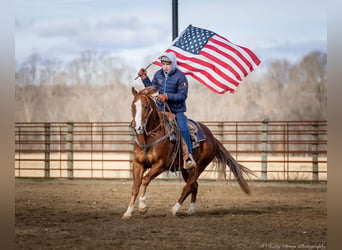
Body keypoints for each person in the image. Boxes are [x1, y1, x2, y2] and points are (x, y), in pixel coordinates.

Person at [138, 52, 196, 170]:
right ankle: (145, 152)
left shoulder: (180, 77)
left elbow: (182, 95)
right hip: (160, 109)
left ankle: (188, 156)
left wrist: (167, 96)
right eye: (163, 64)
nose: (165, 66)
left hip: (176, 111)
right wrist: (145, 79)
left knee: (183, 127)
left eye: (168, 64)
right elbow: (152, 90)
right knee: (146, 123)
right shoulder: (158, 74)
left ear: (173, 64)